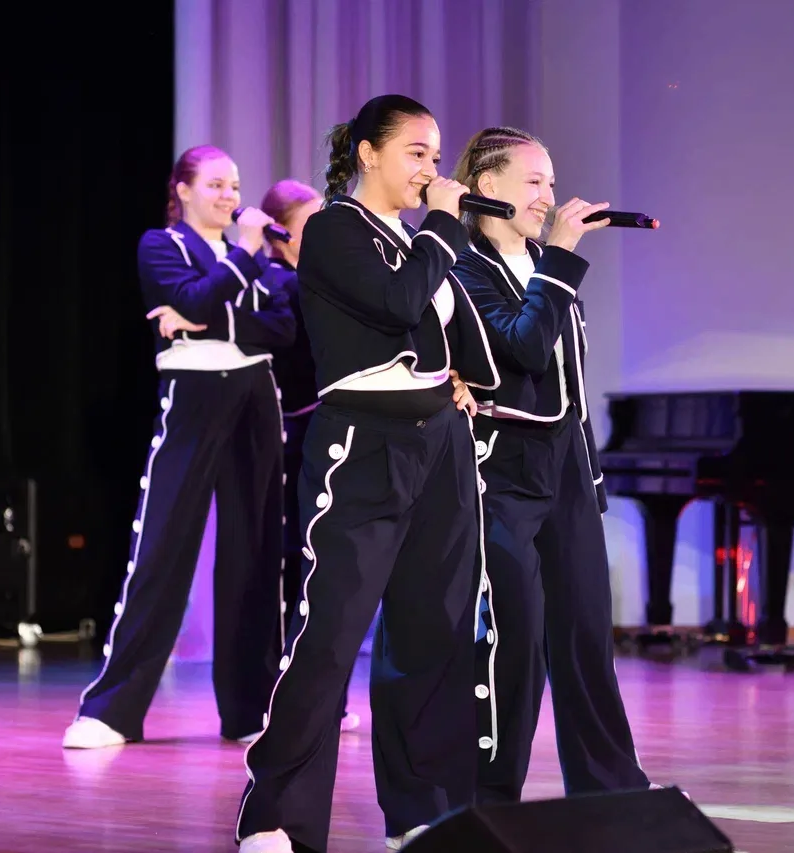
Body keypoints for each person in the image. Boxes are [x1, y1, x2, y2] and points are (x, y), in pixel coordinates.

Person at [233, 95, 500, 853]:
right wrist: (443, 226)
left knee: (434, 630)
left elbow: (462, 336)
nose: (431, 169)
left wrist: (463, 379)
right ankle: (276, 815)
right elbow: (396, 303)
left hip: (440, 444)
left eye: (436, 156)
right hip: (364, 443)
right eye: (417, 152)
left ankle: (424, 809)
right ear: (368, 153)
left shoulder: (420, 239)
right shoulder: (334, 229)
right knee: (330, 631)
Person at [63, 145, 294, 748]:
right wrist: (231, 273)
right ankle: (112, 710)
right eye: (215, 184)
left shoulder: (260, 260)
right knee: (161, 547)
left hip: (255, 398)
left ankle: (250, 710)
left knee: (255, 553)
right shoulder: (162, 245)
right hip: (192, 395)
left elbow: (283, 326)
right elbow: (190, 298)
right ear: (183, 190)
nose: (229, 196)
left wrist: (208, 317)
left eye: (234, 185)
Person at [447, 126, 653, 802]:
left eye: (551, 183)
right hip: (501, 468)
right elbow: (523, 352)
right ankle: (491, 792)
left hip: (566, 465)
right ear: (488, 186)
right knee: (516, 632)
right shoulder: (464, 270)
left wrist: (588, 472)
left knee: (586, 630)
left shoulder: (542, 260)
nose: (549, 196)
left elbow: (570, 380)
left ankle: (609, 787)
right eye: (534, 181)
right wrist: (561, 258)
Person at [258, 177, 360, 734]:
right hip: (293, 441)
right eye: (310, 224)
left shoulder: (312, 281)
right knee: (301, 566)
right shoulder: (279, 283)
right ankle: (291, 700)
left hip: (318, 436)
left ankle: (323, 701)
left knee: (322, 568)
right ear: (281, 234)